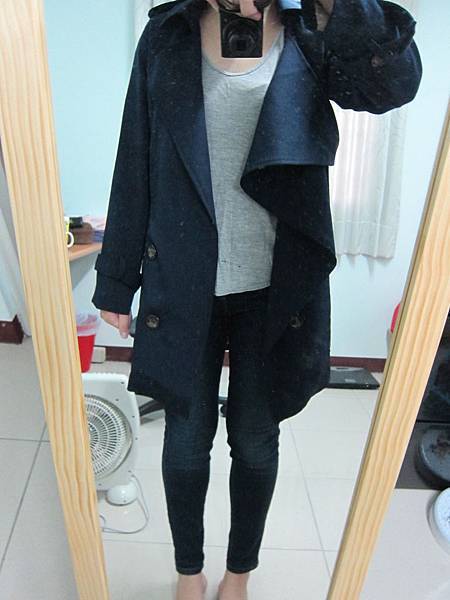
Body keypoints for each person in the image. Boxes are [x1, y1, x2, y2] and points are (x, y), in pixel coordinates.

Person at [92, 1, 421, 598]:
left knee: (254, 439)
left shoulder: (309, 30)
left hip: (275, 288)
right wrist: (117, 277)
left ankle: (239, 573)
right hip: (184, 279)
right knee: (185, 439)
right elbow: (134, 155)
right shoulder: (167, 35)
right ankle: (189, 572)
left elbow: (391, 86)